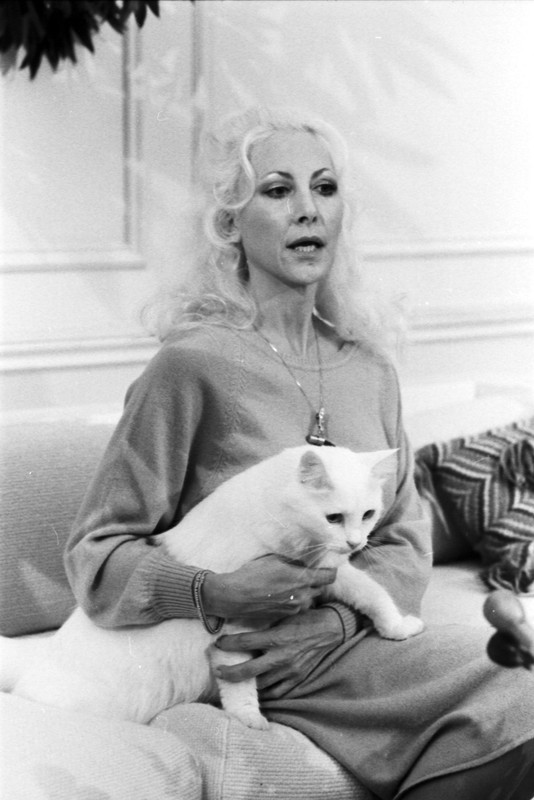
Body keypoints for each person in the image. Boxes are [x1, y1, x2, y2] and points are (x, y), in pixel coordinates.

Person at [65, 106, 534, 800]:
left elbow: (404, 544)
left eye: (325, 188)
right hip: (246, 661)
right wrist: (211, 591)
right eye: (279, 190)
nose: (308, 209)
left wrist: (332, 622)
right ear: (231, 223)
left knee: (518, 689)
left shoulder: (370, 368)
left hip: (345, 642)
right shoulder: (191, 366)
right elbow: (96, 555)